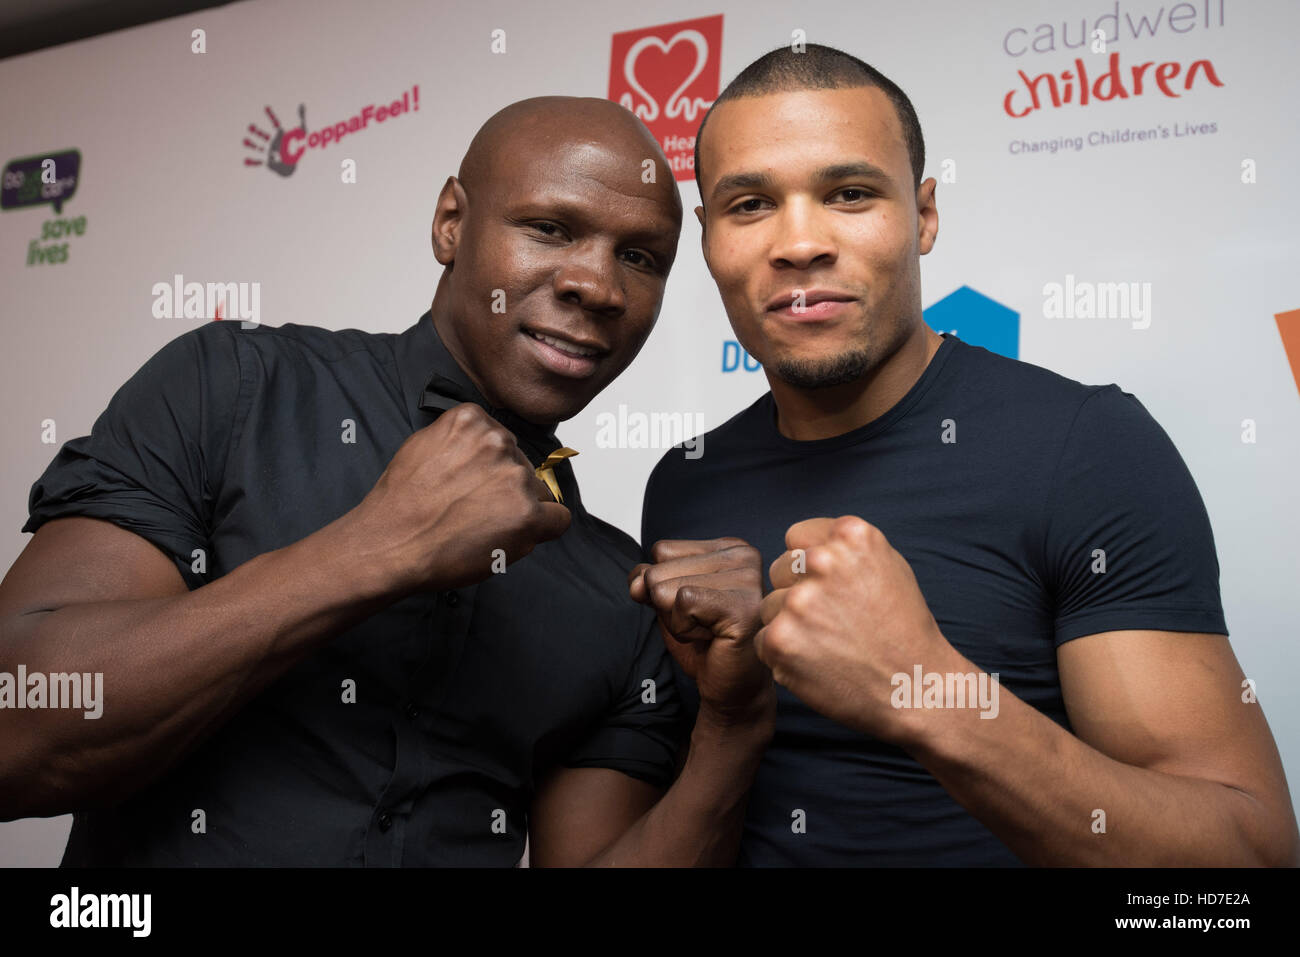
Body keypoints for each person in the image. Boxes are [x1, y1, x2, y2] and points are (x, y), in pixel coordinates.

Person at [0, 96, 773, 866]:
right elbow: (17, 729)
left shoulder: (620, 588)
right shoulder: (232, 391)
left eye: (640, 258)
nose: (599, 285)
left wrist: (732, 729)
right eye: (550, 229)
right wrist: (372, 549)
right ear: (450, 223)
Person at [634, 45, 1300, 866]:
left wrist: (928, 689)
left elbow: (1243, 871)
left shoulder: (1085, 447)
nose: (798, 242)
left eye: (849, 194)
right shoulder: (684, 483)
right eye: (749, 205)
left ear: (925, 215)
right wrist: (727, 721)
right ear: (708, 240)